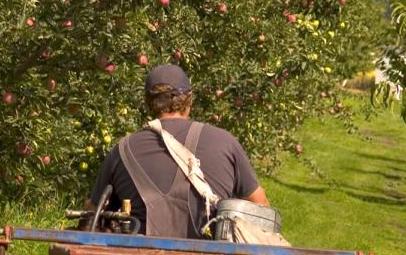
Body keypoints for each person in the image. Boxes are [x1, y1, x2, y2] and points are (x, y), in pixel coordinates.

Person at [87, 64, 270, 238]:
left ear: (148, 102)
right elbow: (261, 208)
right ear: (189, 100)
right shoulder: (225, 142)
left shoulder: (122, 150)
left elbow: (92, 213)